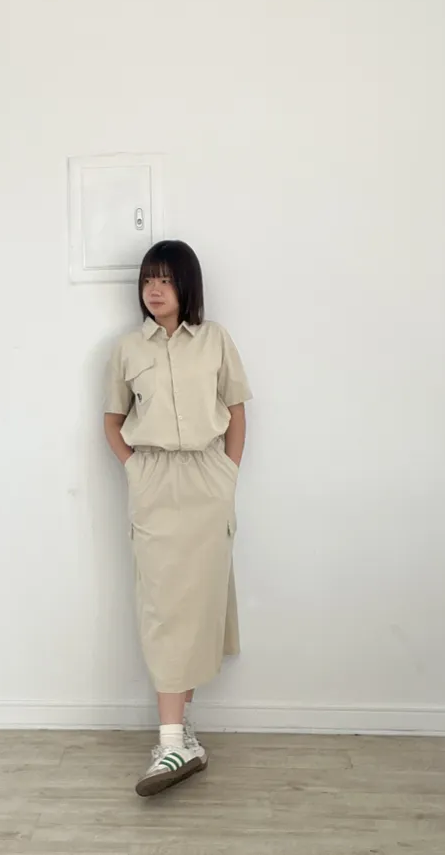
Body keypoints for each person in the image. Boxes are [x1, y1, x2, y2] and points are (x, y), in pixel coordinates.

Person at [104, 239, 252, 797]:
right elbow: (112, 420)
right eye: (148, 279)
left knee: (198, 601)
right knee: (162, 605)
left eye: (166, 279)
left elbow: (236, 411)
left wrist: (227, 474)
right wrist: (136, 469)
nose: (155, 289)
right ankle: (171, 741)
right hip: (154, 481)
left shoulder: (216, 340)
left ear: (187, 284)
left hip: (207, 480)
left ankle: (181, 733)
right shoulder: (126, 349)